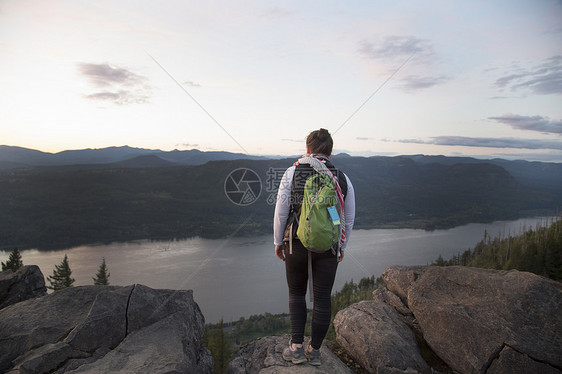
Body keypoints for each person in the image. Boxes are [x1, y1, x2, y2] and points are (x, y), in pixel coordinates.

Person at [273, 128, 355, 366]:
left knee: (296, 293)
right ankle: (315, 351)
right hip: (328, 247)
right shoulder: (342, 178)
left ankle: (296, 348)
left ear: (307, 149)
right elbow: (346, 219)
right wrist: (340, 246)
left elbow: (281, 212)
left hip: (295, 243)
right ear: (330, 151)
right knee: (322, 298)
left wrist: (278, 242)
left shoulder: (292, 172)